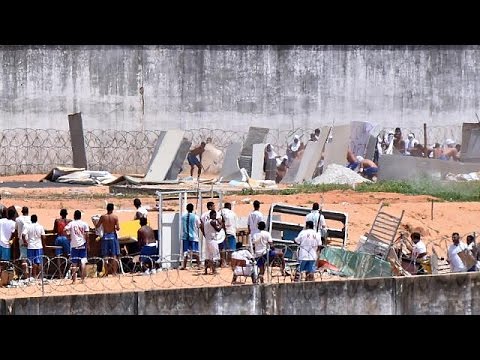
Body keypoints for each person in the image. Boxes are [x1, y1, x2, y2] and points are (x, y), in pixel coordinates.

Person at [95, 203, 120, 276]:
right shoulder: (115, 217)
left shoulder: (103, 217)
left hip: (105, 236)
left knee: (105, 255)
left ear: (107, 208)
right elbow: (118, 228)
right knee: (114, 255)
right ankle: (114, 272)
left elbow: (97, 226)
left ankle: (106, 272)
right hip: (112, 235)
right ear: (112, 209)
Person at [64, 210, 90, 283]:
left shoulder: (71, 223)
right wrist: (88, 244)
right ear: (80, 216)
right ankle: (83, 279)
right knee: (83, 261)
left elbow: (65, 229)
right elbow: (87, 235)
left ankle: (74, 280)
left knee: (74, 263)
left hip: (74, 244)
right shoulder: (84, 224)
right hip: (82, 244)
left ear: (74, 216)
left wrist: (68, 236)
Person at [22, 214, 46, 281]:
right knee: (39, 262)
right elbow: (43, 237)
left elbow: (23, 235)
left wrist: (25, 242)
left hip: (30, 246)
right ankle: (40, 276)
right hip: (38, 246)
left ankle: (34, 276)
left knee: (32, 262)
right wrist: (44, 245)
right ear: (36, 219)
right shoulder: (40, 226)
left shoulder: (28, 227)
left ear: (31, 220)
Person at [180, 203, 202, 270]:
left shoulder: (183, 217)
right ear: (192, 209)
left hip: (185, 237)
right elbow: (199, 225)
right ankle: (198, 265)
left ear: (186, 209)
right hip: (193, 236)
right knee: (195, 252)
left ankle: (184, 265)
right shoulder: (195, 217)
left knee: (185, 252)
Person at [203, 210, 222, 275]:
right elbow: (218, 229)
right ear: (212, 215)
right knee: (215, 256)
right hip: (213, 240)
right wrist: (222, 224)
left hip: (207, 240)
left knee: (208, 256)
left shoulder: (206, 222)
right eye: (215, 215)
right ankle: (214, 270)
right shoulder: (213, 222)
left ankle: (206, 270)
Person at [15, 206, 31, 278]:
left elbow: (16, 230)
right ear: (28, 212)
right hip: (30, 240)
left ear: (22, 212)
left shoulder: (18, 219)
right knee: (31, 257)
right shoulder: (31, 218)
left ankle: (25, 275)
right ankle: (31, 275)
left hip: (21, 239)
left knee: (23, 258)